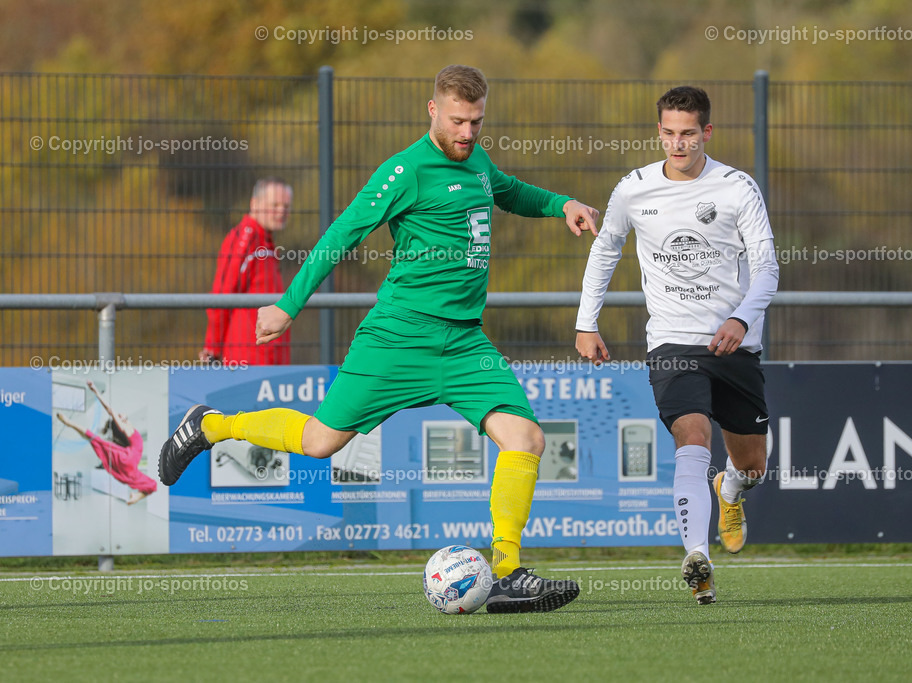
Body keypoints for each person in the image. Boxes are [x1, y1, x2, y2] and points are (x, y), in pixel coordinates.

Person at [160, 65, 599, 613]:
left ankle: (507, 570)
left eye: (477, 122)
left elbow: (508, 190)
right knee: (321, 442)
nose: (468, 133)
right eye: (459, 121)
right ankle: (208, 425)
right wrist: (287, 305)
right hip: (398, 337)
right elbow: (342, 233)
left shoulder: (477, 160)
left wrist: (561, 204)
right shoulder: (405, 170)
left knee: (526, 438)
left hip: (464, 343)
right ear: (433, 110)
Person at [574, 86, 779, 605]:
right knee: (691, 437)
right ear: (659, 132)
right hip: (671, 343)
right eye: (669, 133)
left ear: (707, 132)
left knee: (752, 465)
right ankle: (697, 557)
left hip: (736, 345)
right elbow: (605, 253)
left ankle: (730, 490)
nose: (678, 144)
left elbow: (769, 267)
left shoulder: (737, 188)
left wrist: (740, 318)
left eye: (688, 133)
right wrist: (586, 322)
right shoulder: (634, 189)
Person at [201, 177, 293, 365]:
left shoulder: (265, 243)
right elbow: (222, 294)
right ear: (255, 204)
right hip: (247, 361)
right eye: (274, 205)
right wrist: (212, 347)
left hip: (269, 359)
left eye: (286, 206)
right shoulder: (246, 238)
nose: (281, 211)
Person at [56, 380, 158, 505]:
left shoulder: (129, 432)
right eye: (119, 416)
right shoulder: (126, 428)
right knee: (95, 440)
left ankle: (136, 496)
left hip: (129, 462)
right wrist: (96, 392)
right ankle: (69, 423)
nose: (119, 414)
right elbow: (110, 410)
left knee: (95, 439)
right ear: (123, 420)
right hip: (129, 459)